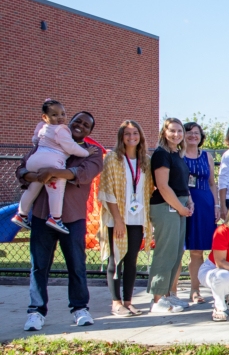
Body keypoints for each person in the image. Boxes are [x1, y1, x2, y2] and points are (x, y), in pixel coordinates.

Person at [18, 111, 102, 332]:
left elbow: (82, 174)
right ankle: (36, 311)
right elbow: (22, 169)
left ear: (89, 131)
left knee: (76, 265)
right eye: (77, 121)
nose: (80, 126)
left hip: (72, 218)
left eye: (86, 125)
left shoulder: (90, 153)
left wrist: (53, 171)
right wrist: (37, 176)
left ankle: (79, 309)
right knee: (39, 266)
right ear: (68, 123)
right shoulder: (46, 143)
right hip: (41, 215)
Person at [97, 120, 153, 318]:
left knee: (131, 260)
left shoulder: (145, 160)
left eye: (135, 133)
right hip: (117, 218)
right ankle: (116, 302)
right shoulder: (113, 158)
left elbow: (147, 190)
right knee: (116, 259)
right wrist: (118, 219)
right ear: (121, 136)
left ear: (140, 136)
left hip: (137, 218)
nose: (131, 137)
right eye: (127, 134)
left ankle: (128, 302)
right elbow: (107, 190)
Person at [12, 99, 91, 234]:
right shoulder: (62, 130)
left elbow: (35, 140)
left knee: (32, 188)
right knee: (56, 189)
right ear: (45, 116)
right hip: (52, 162)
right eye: (55, 115)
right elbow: (71, 147)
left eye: (62, 114)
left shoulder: (42, 127)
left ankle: (21, 214)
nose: (60, 117)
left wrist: (35, 175)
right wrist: (86, 152)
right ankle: (55, 217)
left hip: (34, 160)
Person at [148, 118, 193, 314]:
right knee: (165, 252)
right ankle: (158, 299)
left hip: (180, 204)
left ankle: (169, 295)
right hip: (166, 206)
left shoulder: (177, 154)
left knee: (176, 253)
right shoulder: (161, 154)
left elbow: (182, 182)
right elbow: (163, 186)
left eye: (179, 131)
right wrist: (180, 208)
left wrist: (188, 200)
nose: (176, 134)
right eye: (172, 131)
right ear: (164, 132)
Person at [182, 121, 219, 305]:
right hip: (186, 204)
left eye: (196, 133)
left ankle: (196, 291)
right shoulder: (179, 156)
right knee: (188, 250)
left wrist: (216, 206)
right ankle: (180, 290)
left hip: (205, 203)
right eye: (188, 132)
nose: (193, 136)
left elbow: (212, 182)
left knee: (202, 250)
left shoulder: (206, 156)